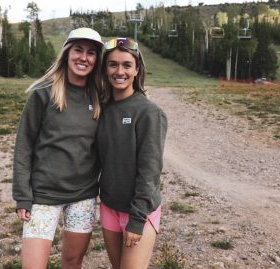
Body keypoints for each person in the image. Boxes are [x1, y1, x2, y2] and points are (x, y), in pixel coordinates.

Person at [12, 27, 103, 269]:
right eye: (78, 50)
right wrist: (22, 195)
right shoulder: (43, 93)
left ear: (97, 60)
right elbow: (24, 145)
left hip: (83, 195)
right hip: (43, 196)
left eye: (91, 53)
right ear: (67, 53)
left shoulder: (99, 97)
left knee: (72, 262)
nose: (84, 57)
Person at [97, 38, 168, 269]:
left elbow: (150, 171)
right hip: (109, 206)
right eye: (113, 64)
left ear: (137, 70)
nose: (120, 71)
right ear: (105, 69)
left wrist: (137, 220)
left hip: (138, 211)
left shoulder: (149, 113)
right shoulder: (102, 108)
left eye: (127, 65)